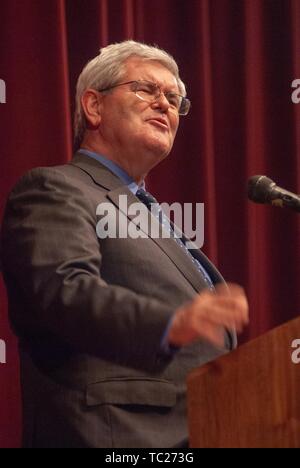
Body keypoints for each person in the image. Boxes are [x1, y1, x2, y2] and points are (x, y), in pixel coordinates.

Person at [0, 40, 248, 448]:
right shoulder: (55, 188)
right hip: (117, 436)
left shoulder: (151, 216)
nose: (165, 105)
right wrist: (171, 323)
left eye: (174, 98)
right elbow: (66, 293)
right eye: (146, 90)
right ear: (93, 106)